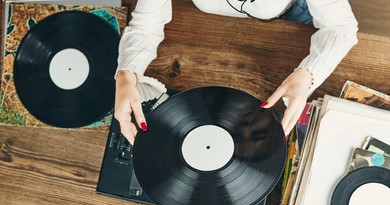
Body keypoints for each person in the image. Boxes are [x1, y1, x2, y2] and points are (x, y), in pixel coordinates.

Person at [114, 0, 358, 144]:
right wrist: (126, 72)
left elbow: (340, 26)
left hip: (290, 18)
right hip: (210, 28)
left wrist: (307, 74)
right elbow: (145, 26)